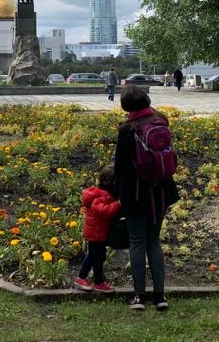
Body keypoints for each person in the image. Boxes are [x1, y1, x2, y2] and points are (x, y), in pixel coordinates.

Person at [113, 85, 179, 311]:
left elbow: (120, 167)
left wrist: (117, 194)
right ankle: (160, 296)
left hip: (136, 193)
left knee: (137, 242)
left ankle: (139, 296)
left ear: (126, 107)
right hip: (160, 191)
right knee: (154, 241)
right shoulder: (161, 120)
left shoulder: (127, 130)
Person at [73, 165, 120, 293]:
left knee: (94, 256)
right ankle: (97, 281)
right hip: (96, 233)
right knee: (97, 258)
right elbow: (103, 211)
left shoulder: (103, 193)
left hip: (98, 232)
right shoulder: (100, 196)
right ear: (108, 182)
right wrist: (118, 204)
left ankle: (82, 278)